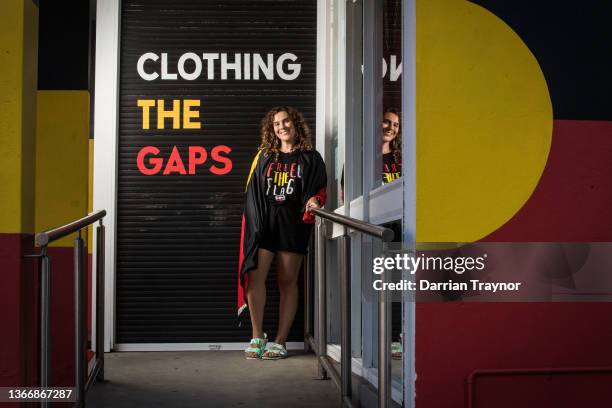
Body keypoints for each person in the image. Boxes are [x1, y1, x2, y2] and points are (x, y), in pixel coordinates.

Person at [237, 106, 327, 360]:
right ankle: (257, 335)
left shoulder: (311, 157)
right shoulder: (265, 156)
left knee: (287, 282)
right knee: (255, 278)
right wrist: (256, 224)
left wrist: (315, 201)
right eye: (276, 124)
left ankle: (280, 341)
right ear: (272, 129)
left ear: (295, 124)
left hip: (293, 224)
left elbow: (319, 189)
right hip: (265, 223)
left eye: (286, 121)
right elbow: (253, 193)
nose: (282, 126)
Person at [382, 107, 402, 184]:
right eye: (386, 122)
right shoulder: (361, 158)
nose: (391, 128)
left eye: (395, 125)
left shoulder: (402, 157)